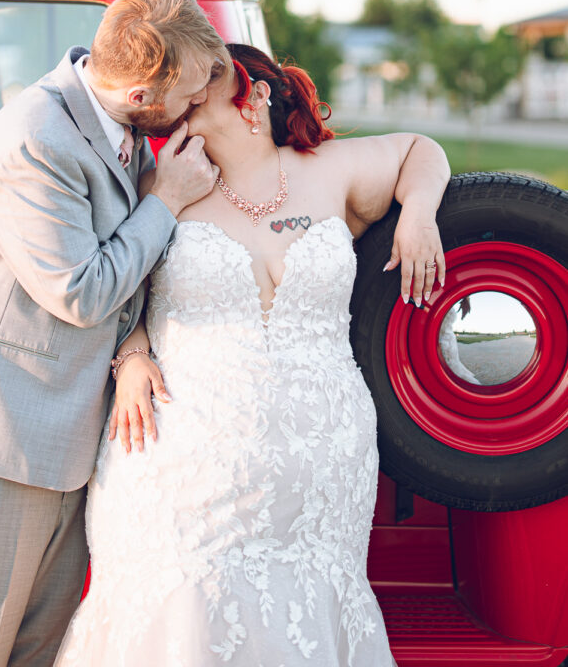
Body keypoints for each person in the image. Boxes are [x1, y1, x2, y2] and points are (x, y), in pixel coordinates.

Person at [55, 42, 450, 667]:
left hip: (322, 470)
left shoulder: (331, 168)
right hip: (182, 456)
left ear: (254, 92)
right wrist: (130, 354)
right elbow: (111, 284)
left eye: (199, 81)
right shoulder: (162, 186)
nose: (177, 94)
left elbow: (419, 152)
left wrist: (419, 214)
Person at [0, 0, 230, 667]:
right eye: (190, 96)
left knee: (33, 651)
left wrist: (135, 348)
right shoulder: (35, 141)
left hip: (58, 435)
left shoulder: (121, 128)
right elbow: (80, 291)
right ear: (142, 94)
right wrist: (165, 201)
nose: (198, 107)